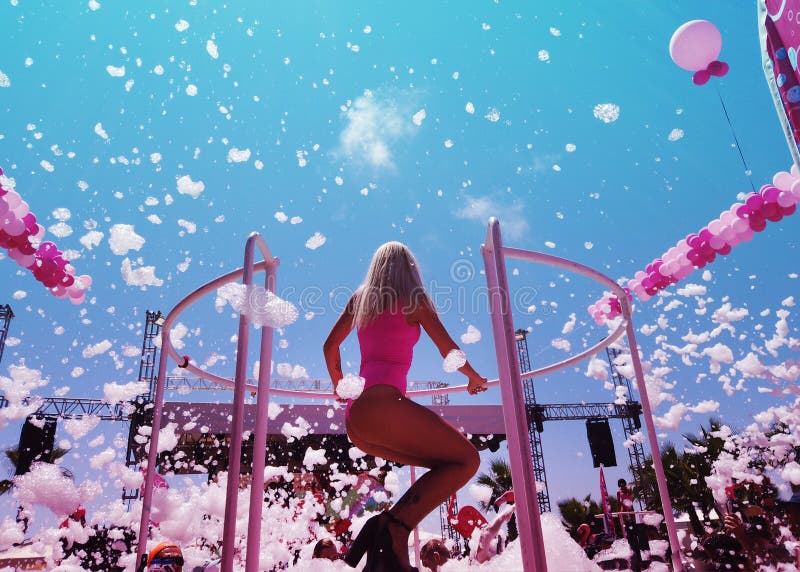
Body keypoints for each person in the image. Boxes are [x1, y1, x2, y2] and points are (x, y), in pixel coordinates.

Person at [324, 241, 488, 572]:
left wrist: (339, 384)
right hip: (387, 406)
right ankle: (395, 528)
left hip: (358, 420)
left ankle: (387, 526)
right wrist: (474, 378)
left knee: (447, 465)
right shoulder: (414, 300)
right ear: (410, 269)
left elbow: (330, 346)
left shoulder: (360, 300)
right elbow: (449, 350)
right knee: (468, 459)